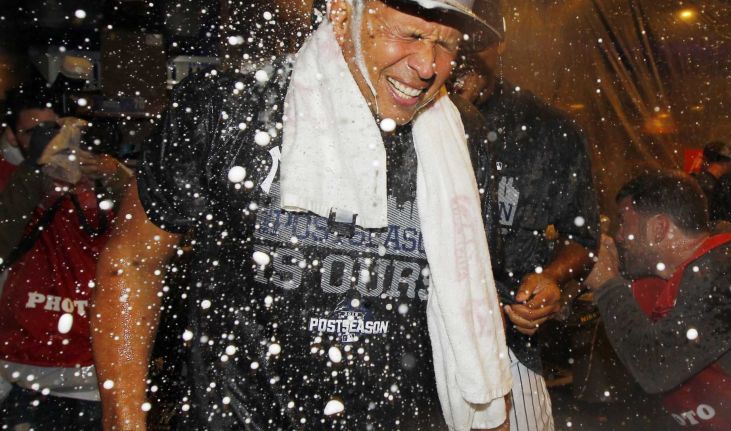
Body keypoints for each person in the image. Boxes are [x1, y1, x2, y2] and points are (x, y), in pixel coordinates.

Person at [92, 1, 514, 430]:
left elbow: (479, 298)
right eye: (409, 34)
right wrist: (123, 418)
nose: (428, 65)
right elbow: (133, 262)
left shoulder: (463, 138)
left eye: (445, 44)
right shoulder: (229, 107)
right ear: (342, 13)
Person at [452, 4, 600, 429]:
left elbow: (583, 239)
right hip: (409, 339)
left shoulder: (549, 128)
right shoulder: (403, 112)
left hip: (509, 342)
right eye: (450, 37)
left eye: (477, 40)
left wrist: (551, 277)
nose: (463, 50)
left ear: (501, 43)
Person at [585, 171, 731, 430]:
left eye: (624, 223)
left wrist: (606, 284)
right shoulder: (677, 271)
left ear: (659, 228)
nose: (620, 236)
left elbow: (656, 367)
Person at [0, 84, 132, 429]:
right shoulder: (14, 180)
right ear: (12, 137)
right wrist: (36, 172)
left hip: (87, 364)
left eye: (55, 130)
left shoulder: (93, 178)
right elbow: (4, 238)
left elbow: (139, 233)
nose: (51, 141)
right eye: (35, 132)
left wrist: (110, 174)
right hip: (21, 363)